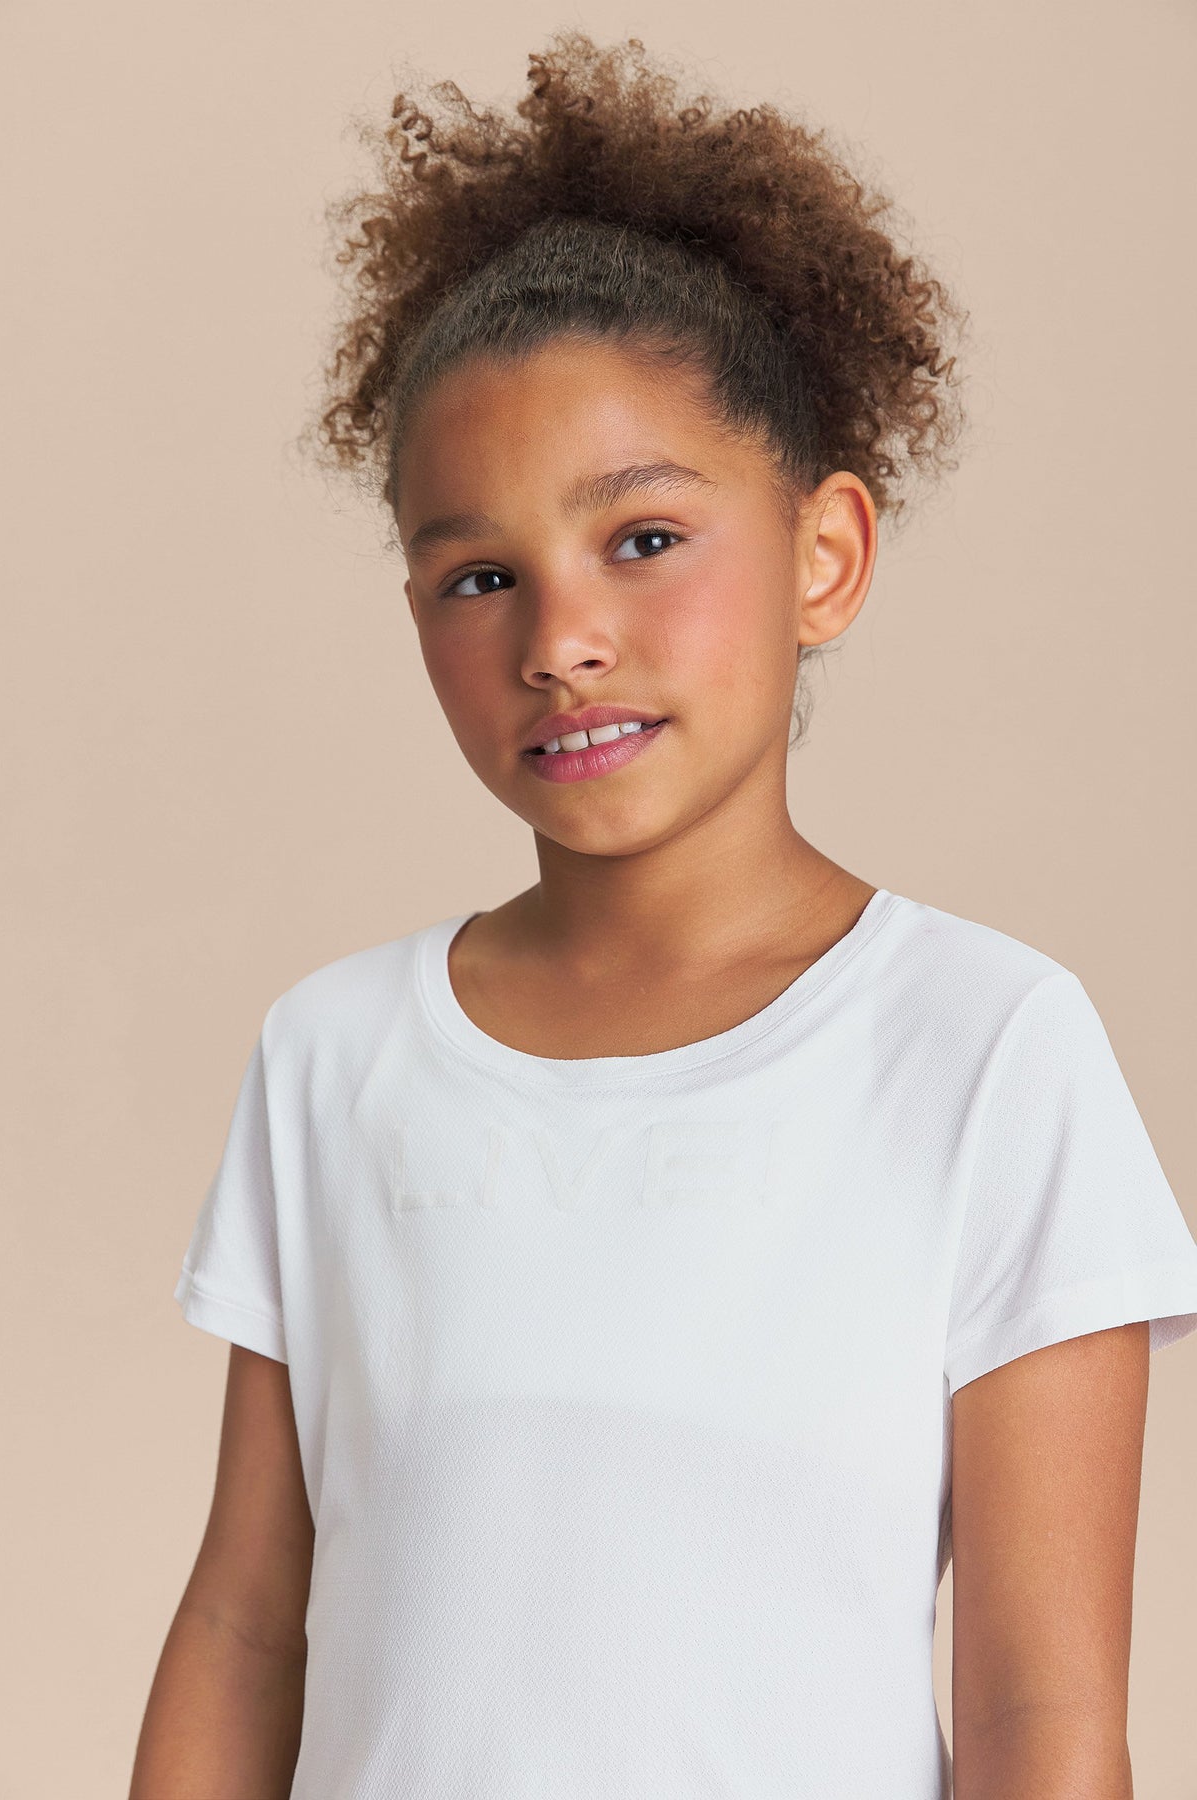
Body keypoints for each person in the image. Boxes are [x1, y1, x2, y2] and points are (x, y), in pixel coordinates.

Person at [129, 30, 1197, 1800]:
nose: (559, 639)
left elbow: (1046, 1718)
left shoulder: (989, 1050)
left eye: (641, 539)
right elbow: (246, 1624)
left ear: (825, 556)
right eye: (480, 575)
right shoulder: (335, 1057)